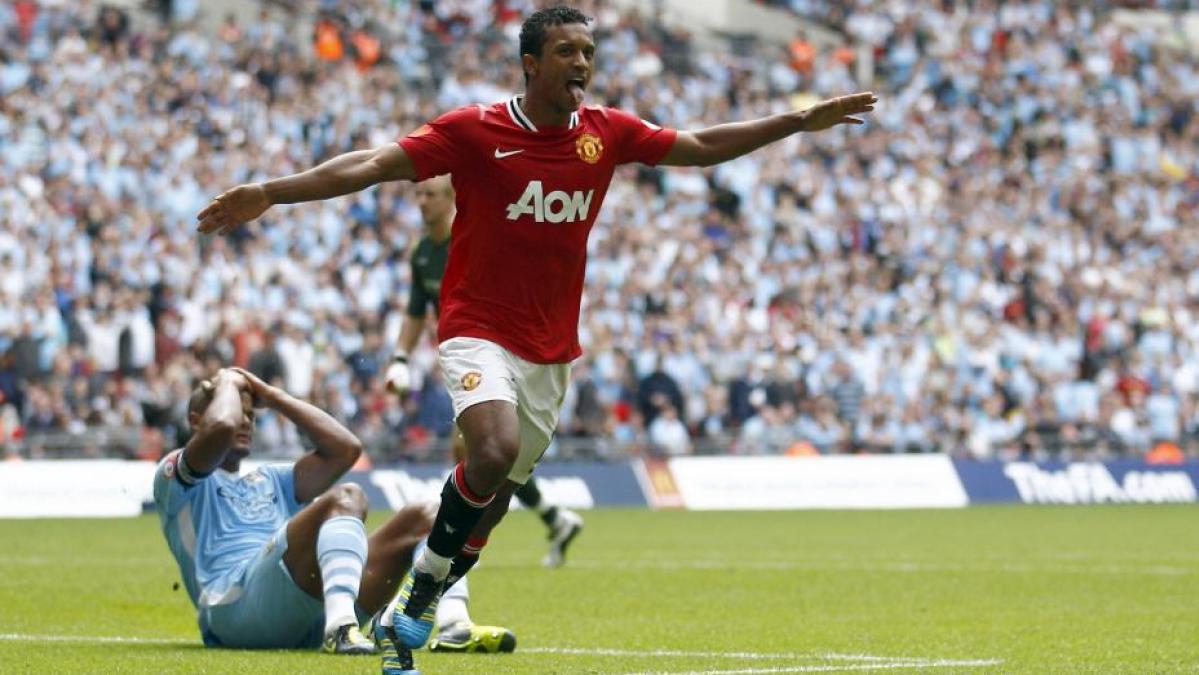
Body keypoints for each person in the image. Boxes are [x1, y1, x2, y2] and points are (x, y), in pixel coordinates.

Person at [196, 6, 875, 672]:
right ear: (530, 64)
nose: (582, 63)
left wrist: (797, 120)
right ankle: (426, 595)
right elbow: (374, 164)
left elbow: (697, 148)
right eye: (566, 52)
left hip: (550, 352)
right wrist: (272, 191)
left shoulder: (604, 133)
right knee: (492, 449)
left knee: (488, 502)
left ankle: (422, 598)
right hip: (476, 329)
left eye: (587, 51)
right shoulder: (474, 131)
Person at [152, 367, 511, 666]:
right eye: (237, 409)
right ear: (196, 421)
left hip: (303, 610)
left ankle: (453, 625)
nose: (244, 421)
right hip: (233, 609)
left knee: (430, 515)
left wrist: (273, 396)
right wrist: (229, 381)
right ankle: (340, 627)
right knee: (347, 498)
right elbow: (222, 427)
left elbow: (346, 449)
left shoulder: (271, 478)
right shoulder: (176, 478)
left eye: (251, 414)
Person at [385, 173, 585, 571]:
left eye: (431, 194)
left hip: (498, 352)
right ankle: (549, 519)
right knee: (486, 453)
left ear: (452, 199)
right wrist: (400, 359)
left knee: (482, 451)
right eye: (418, 194)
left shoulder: (475, 239)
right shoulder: (422, 251)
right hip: (460, 355)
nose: (422, 202)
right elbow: (415, 312)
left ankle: (456, 547)